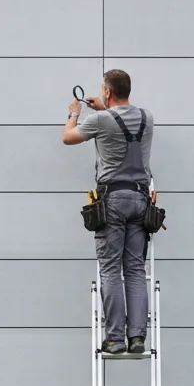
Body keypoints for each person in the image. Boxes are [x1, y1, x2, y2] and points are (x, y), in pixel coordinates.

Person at [63, 68, 154, 356]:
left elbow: (68, 138)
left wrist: (74, 113)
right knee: (136, 270)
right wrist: (106, 110)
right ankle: (137, 337)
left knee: (111, 269)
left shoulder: (99, 120)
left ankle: (115, 338)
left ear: (107, 91)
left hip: (111, 200)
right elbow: (122, 125)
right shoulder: (146, 118)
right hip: (141, 199)